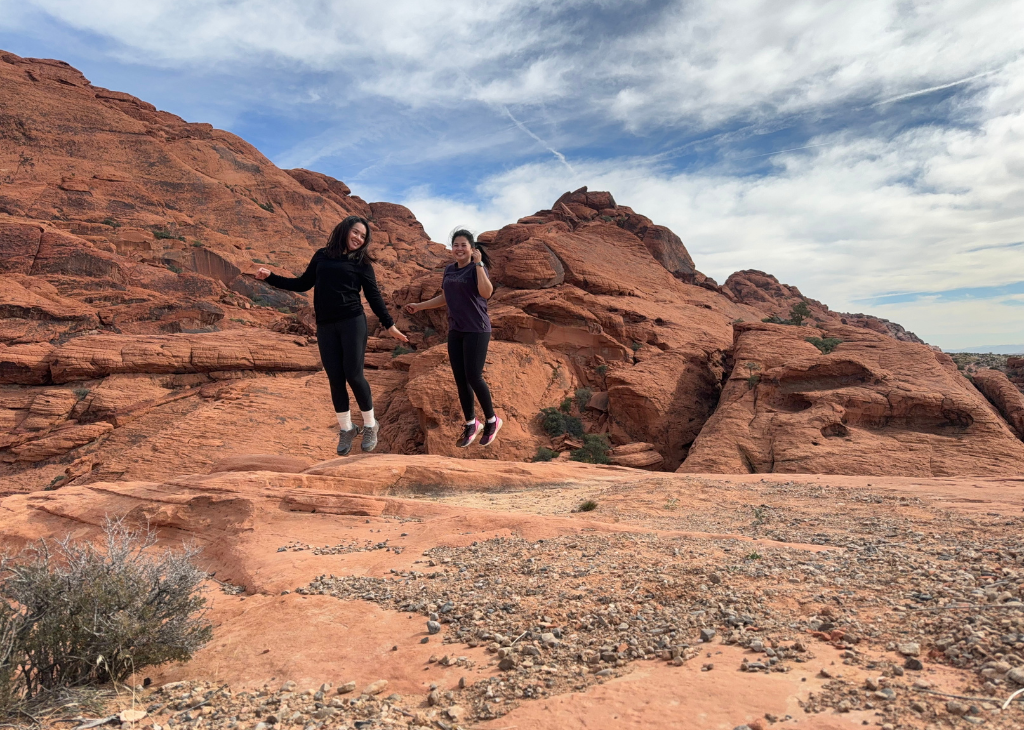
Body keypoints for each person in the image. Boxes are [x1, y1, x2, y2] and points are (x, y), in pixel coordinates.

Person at [255, 215, 407, 456]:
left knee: (354, 375)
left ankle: (370, 424)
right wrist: (271, 277)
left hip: (352, 322)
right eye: (355, 232)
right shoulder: (322, 255)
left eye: (363, 236)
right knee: (335, 378)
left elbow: (374, 296)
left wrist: (389, 325)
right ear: (345, 230)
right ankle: (347, 428)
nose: (358, 238)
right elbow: (303, 283)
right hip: (326, 325)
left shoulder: (362, 263)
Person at [405, 229, 501, 448]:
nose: (459, 249)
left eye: (463, 245)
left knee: (474, 376)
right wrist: (419, 306)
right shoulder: (449, 270)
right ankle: (471, 423)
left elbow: (486, 292)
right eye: (455, 245)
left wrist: (478, 265)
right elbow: (445, 297)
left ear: (471, 248)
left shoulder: (478, 268)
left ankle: (492, 420)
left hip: (477, 329)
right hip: (456, 329)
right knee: (460, 379)